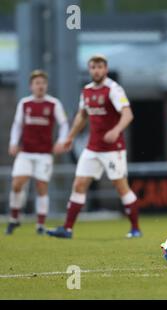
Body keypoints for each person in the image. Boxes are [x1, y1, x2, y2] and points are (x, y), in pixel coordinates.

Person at [47, 54, 141, 239]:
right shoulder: (87, 91)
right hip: (92, 148)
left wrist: (116, 130)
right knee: (79, 184)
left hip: (113, 149)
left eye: (100, 67)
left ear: (105, 69)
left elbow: (128, 114)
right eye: (93, 67)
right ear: (89, 69)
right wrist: (70, 137)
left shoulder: (113, 89)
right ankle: (67, 229)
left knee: (121, 187)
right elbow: (82, 116)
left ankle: (135, 229)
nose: (96, 70)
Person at [6, 70, 68, 235]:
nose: (40, 86)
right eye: (37, 83)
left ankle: (40, 224)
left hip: (44, 153)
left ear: (46, 85)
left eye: (43, 83)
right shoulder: (24, 103)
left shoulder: (54, 104)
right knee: (17, 183)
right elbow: (17, 125)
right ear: (31, 86)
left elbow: (64, 124)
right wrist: (13, 143)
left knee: (41, 186)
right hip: (25, 152)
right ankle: (14, 219)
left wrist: (61, 141)